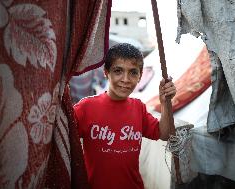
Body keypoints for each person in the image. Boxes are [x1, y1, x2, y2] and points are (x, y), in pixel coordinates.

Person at [73, 43, 176, 189]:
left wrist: (166, 103)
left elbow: (165, 134)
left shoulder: (139, 108)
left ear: (140, 76)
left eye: (133, 72)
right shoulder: (85, 108)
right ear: (106, 72)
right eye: (118, 71)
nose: (126, 79)